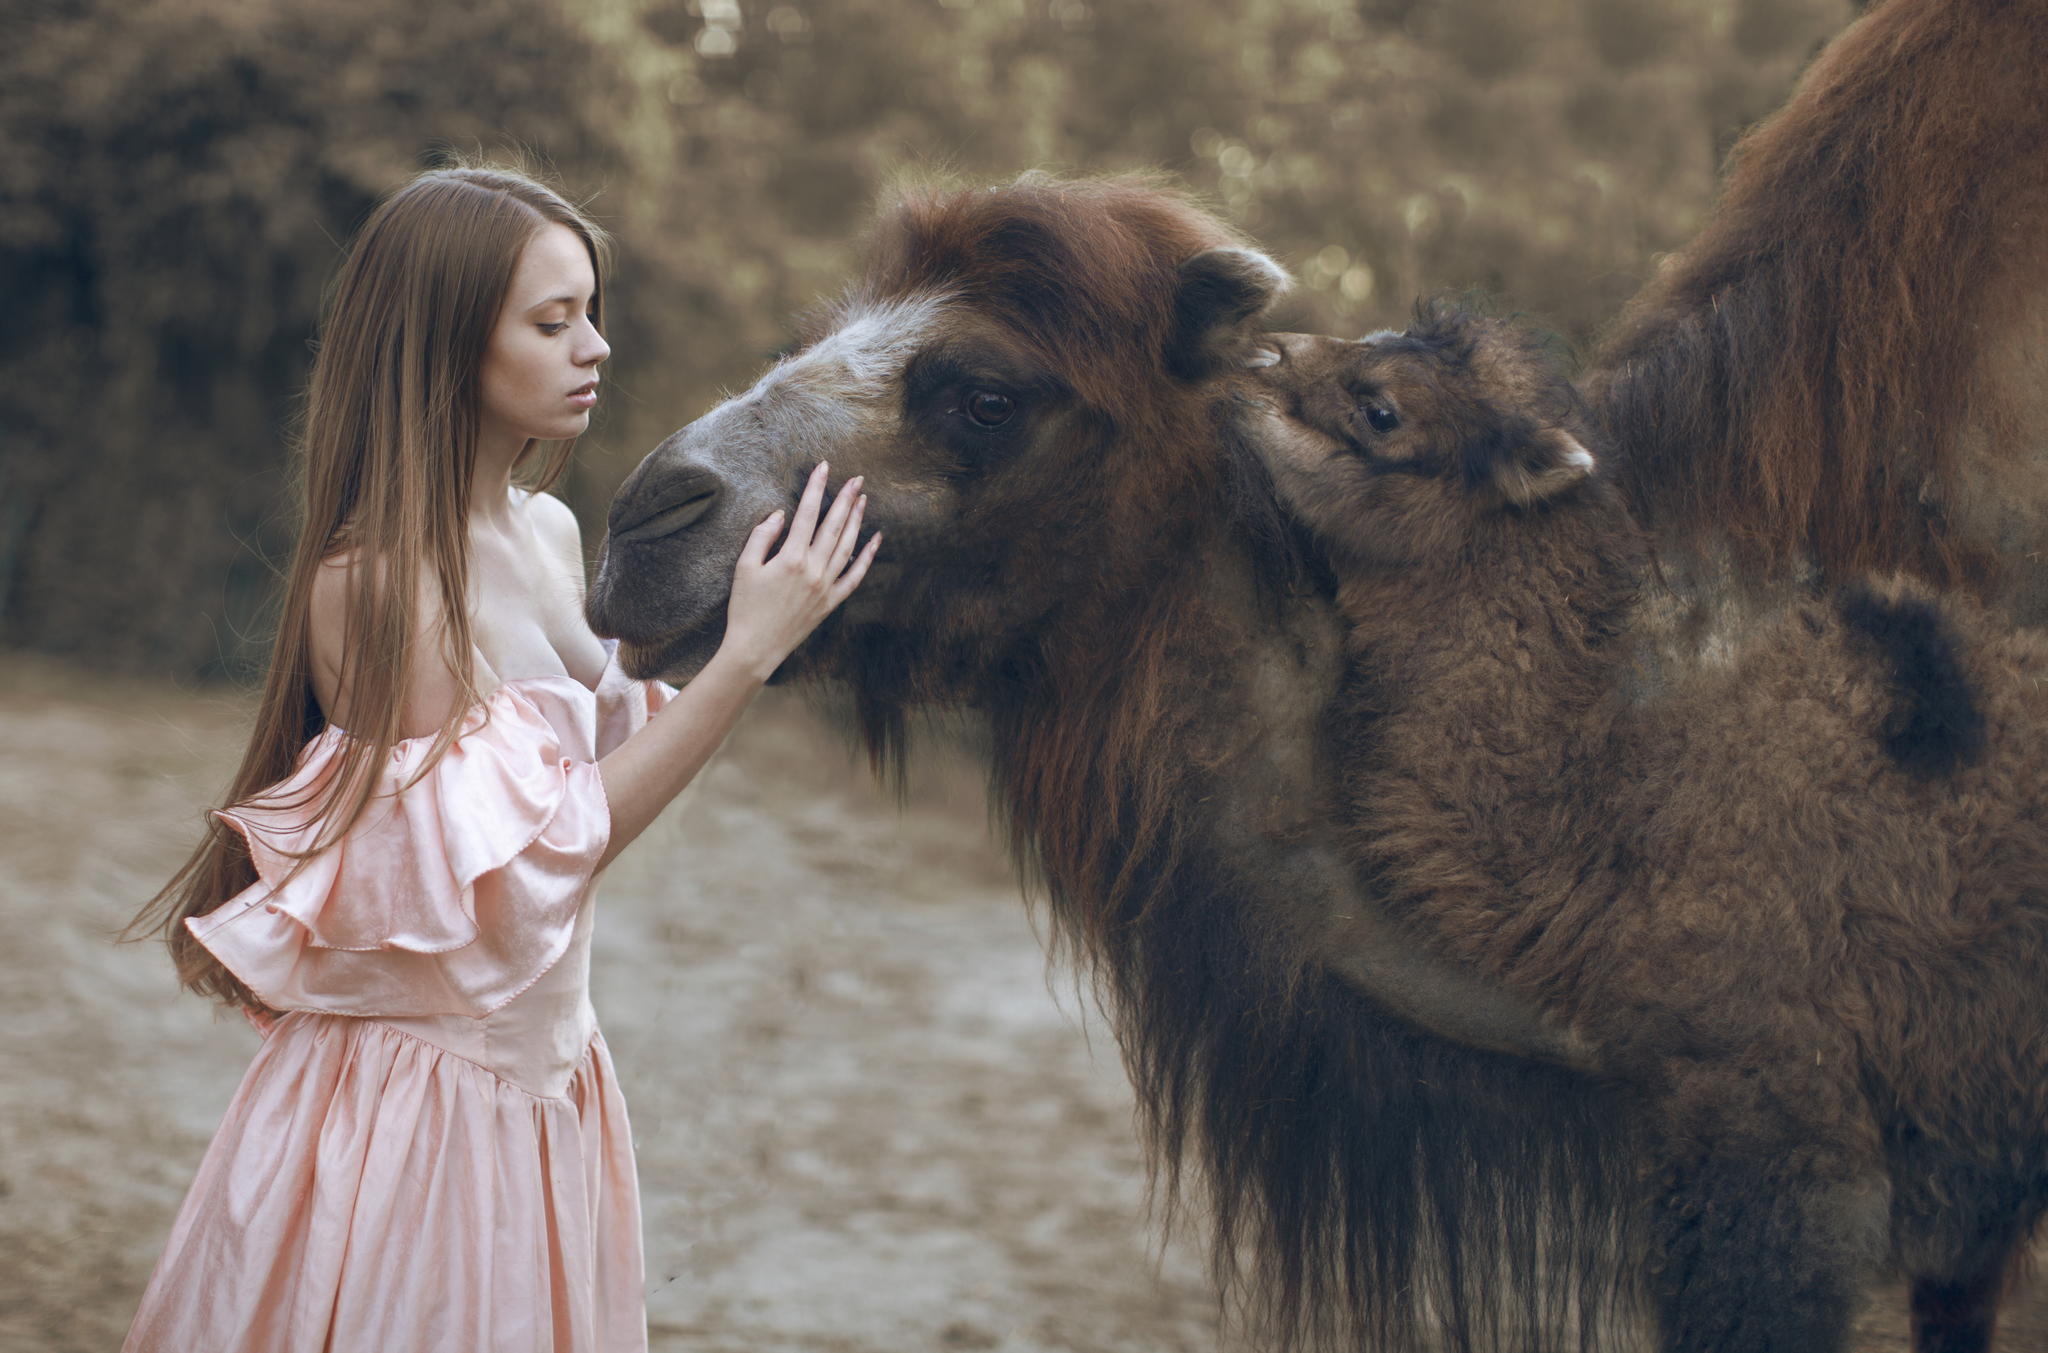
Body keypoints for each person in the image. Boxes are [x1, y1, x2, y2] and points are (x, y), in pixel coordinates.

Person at [119, 162, 876, 1352]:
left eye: (591, 312)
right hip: (426, 1119)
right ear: (445, 344)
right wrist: (745, 660)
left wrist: (762, 597)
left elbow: (616, 715)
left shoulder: (545, 530)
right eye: (552, 320)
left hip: (541, 1084)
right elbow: (549, 854)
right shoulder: (374, 587)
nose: (596, 348)